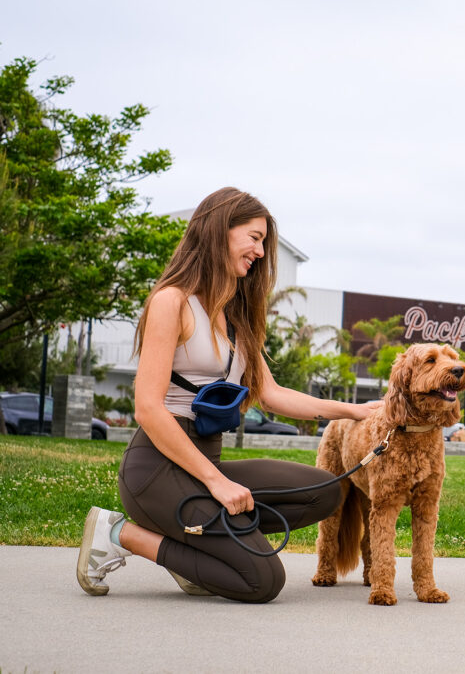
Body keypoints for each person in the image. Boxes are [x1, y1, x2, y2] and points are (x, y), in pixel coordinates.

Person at [76, 187, 376, 603]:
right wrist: (217, 482)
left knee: (324, 491)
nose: (259, 250)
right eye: (254, 237)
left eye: (263, 242)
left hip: (206, 460)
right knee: (262, 581)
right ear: (220, 228)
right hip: (159, 470)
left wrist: (358, 411)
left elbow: (270, 394)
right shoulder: (173, 301)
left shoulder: (236, 315)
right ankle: (120, 534)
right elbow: (147, 407)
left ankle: (203, 548)